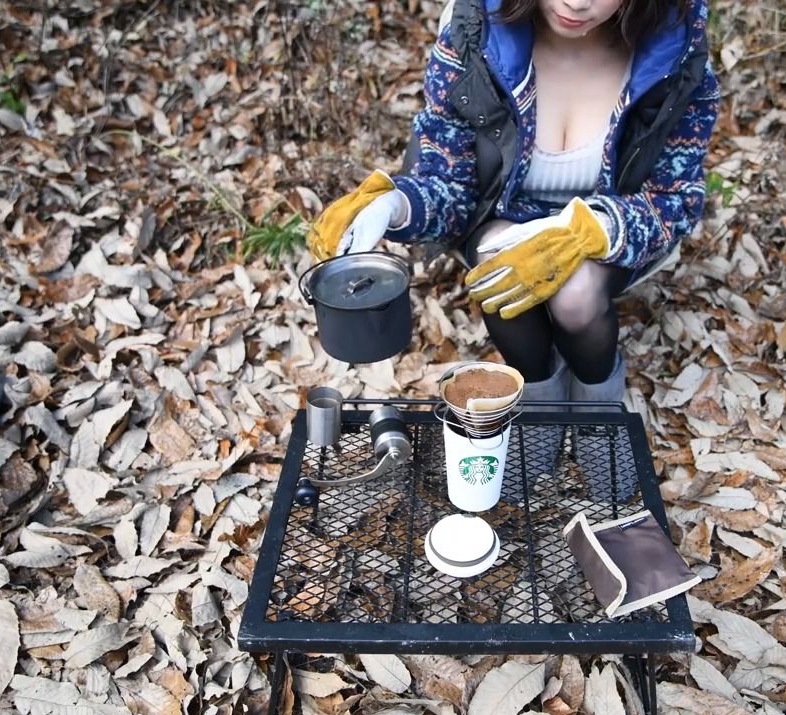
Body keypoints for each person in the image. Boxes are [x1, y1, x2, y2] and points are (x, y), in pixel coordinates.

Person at [308, 0, 719, 411]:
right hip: (502, 220)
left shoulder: (675, 56)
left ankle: (599, 408)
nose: (577, 3)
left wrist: (593, 229)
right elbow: (450, 182)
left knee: (576, 296)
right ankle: (539, 399)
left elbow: (674, 199)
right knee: (498, 259)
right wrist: (394, 205)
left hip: (614, 227)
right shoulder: (473, 36)